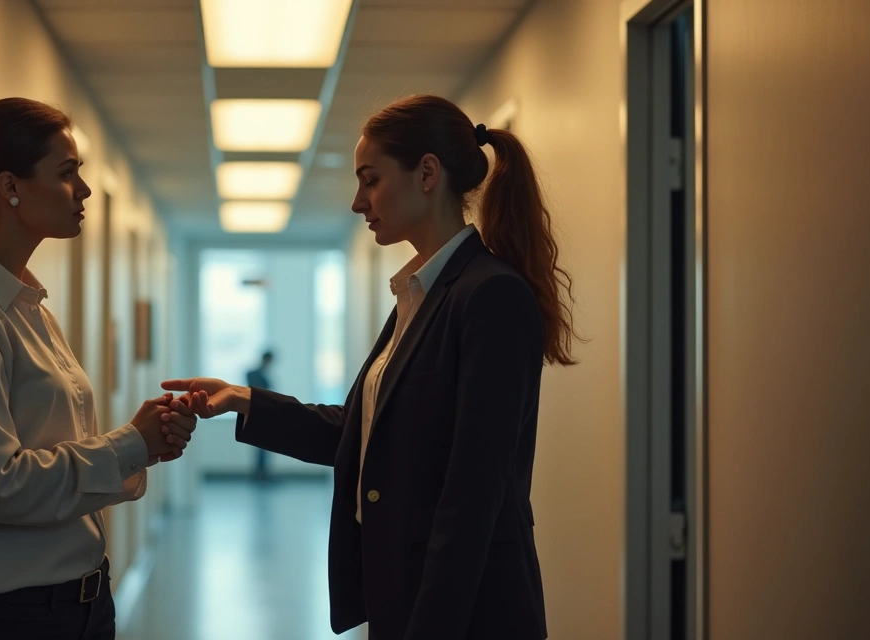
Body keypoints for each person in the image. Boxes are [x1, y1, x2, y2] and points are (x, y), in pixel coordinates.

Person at [164, 94, 578, 640]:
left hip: (468, 607)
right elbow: (364, 435)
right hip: (403, 588)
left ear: (426, 173)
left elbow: (472, 493)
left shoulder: (490, 295)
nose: (358, 202)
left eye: (370, 179)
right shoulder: (419, 294)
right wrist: (243, 399)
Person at [0, 97, 197, 640]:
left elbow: (56, 454)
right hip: (8, 618)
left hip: (81, 601)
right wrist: (131, 443)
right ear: (9, 186)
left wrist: (147, 442)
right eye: (67, 174)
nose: (82, 191)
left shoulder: (27, 305)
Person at [245, 350, 274, 481]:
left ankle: (262, 472)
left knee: (263, 445)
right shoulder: (254, 374)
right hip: (257, 412)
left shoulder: (259, 375)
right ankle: (260, 473)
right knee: (260, 445)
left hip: (263, 413)